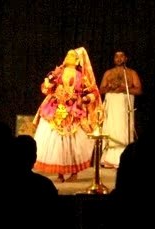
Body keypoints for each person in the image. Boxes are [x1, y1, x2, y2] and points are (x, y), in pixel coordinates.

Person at [33, 47, 102, 182]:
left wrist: (84, 99)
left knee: (72, 142)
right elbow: (45, 88)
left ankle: (74, 173)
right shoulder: (59, 73)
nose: (69, 57)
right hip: (55, 108)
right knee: (57, 141)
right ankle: (60, 173)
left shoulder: (82, 76)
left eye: (72, 55)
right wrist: (52, 76)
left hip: (73, 110)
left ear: (77, 60)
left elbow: (93, 92)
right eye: (68, 55)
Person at [99, 50, 142, 168]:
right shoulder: (108, 73)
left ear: (126, 58)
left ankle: (124, 159)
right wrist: (109, 87)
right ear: (114, 59)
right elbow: (101, 90)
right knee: (111, 129)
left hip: (124, 107)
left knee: (123, 130)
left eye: (121, 56)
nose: (119, 58)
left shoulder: (131, 73)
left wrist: (124, 89)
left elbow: (138, 90)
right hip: (111, 106)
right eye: (116, 56)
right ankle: (109, 159)